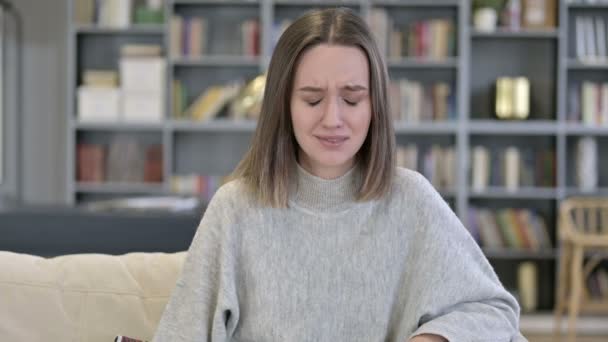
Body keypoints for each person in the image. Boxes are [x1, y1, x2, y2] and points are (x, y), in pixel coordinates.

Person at [153, 8, 527, 342]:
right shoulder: (235, 209)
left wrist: (435, 337)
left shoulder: (411, 199)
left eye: (351, 99)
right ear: (283, 106)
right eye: (312, 99)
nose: (332, 119)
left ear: (375, 106)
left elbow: (495, 311)